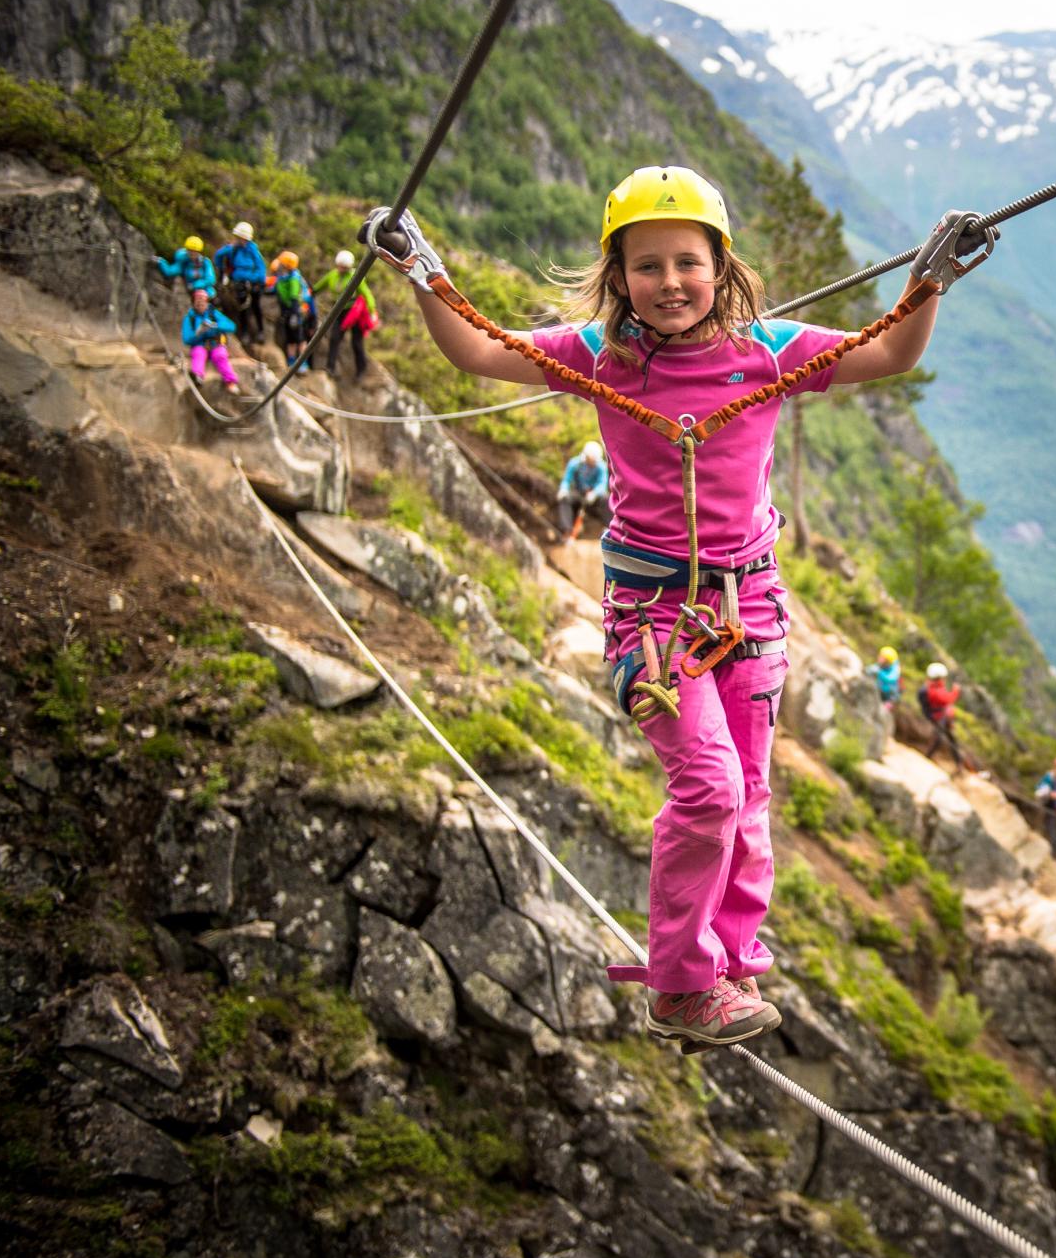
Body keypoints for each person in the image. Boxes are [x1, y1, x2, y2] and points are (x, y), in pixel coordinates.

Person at [362, 164, 986, 1048]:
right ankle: (682, 983)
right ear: (619, 279)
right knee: (709, 788)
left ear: (719, 267)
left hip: (751, 604)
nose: (669, 284)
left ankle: (728, 960)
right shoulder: (600, 358)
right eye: (646, 266)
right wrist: (424, 275)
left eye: (686, 262)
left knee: (752, 794)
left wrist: (928, 285)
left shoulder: (768, 351)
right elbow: (479, 349)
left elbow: (889, 352)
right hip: (652, 616)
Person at [316, 249, 380, 380]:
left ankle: (361, 371)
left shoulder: (355, 276)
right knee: (335, 338)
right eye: (340, 266)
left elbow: (366, 294)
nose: (341, 269)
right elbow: (320, 286)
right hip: (340, 311)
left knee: (356, 342)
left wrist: (372, 311)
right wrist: (311, 292)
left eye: (344, 267)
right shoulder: (333, 275)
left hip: (354, 313)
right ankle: (330, 367)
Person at [213, 221, 269, 349]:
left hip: (253, 283)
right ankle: (244, 333)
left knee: (255, 306)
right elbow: (218, 257)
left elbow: (261, 267)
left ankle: (260, 331)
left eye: (242, 238)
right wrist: (228, 248)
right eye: (239, 238)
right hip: (239, 283)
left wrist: (258, 281)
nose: (241, 241)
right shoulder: (233, 249)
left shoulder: (252, 249)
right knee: (243, 307)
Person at [179, 287, 241, 390]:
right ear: (193, 302)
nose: (200, 303)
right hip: (199, 344)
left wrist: (215, 325)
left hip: (216, 343)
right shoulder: (190, 317)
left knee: (220, 355)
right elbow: (186, 338)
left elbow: (231, 326)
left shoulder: (214, 314)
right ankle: (198, 376)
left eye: (203, 301)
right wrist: (199, 333)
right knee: (198, 354)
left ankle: (230, 381)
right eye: (197, 301)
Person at [266, 251, 317, 372]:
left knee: (299, 338)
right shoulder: (283, 277)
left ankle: (303, 362)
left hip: (296, 311)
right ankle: (291, 360)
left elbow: (294, 297)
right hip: (289, 311)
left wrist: (294, 315)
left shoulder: (294, 278)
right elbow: (276, 290)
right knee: (290, 338)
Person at [557, 440, 610, 542]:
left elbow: (602, 484)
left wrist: (594, 493)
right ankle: (567, 531)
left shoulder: (601, 467)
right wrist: (563, 489)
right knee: (565, 498)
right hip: (579, 493)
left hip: (594, 496)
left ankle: (608, 529)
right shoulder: (575, 463)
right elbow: (567, 480)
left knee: (606, 499)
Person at [919, 661, 963, 765]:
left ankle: (958, 762)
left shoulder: (931, 687)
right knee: (942, 739)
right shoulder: (934, 690)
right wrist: (956, 690)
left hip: (941, 717)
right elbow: (948, 699)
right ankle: (929, 756)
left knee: (947, 738)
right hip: (939, 717)